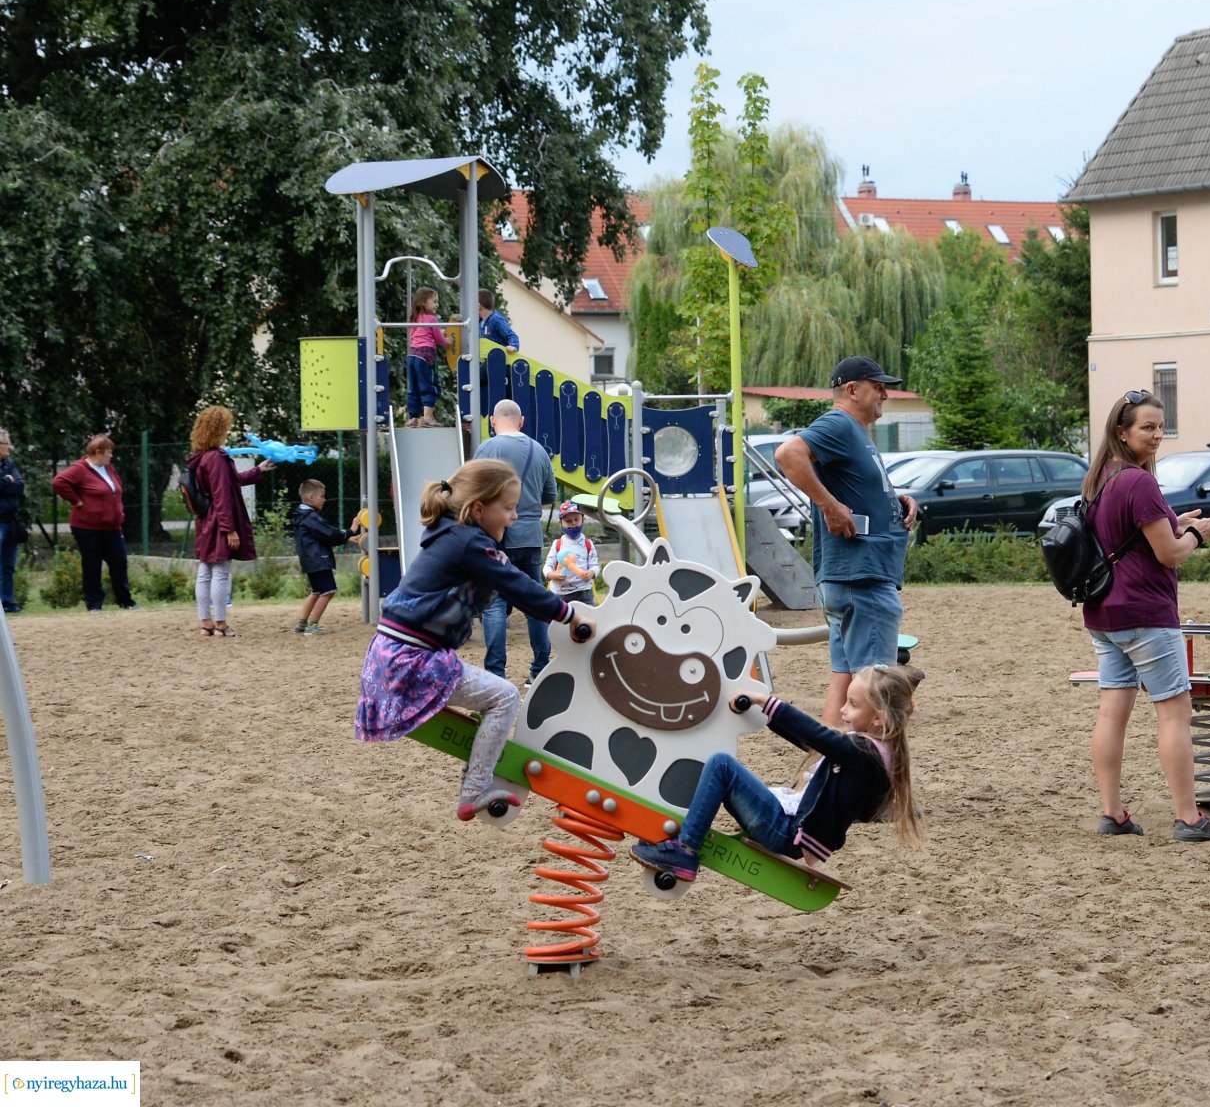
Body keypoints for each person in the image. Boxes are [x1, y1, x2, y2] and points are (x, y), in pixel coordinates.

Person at [355, 459, 590, 820]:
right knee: (504, 696)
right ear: (479, 509)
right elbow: (517, 584)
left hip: (388, 654)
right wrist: (569, 614)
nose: (513, 518)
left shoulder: (450, 535)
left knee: (492, 691)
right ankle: (475, 788)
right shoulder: (469, 543)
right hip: (411, 660)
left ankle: (476, 775)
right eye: (509, 508)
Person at [1081, 389, 1210, 842]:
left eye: (1160, 427)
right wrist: (1197, 534)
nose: (1156, 435)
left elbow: (1135, 534)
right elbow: (1168, 554)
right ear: (1121, 431)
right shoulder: (1139, 481)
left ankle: (1112, 812)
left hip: (1103, 612)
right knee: (1175, 713)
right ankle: (1189, 818)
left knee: (1112, 713)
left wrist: (1175, 522)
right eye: (1147, 427)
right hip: (1145, 612)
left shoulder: (1100, 480)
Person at [628, 663, 921, 883]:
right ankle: (681, 837)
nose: (843, 710)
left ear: (879, 720)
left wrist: (767, 703)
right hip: (791, 829)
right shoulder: (875, 752)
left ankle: (685, 850)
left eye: (853, 705)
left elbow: (818, 736)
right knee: (725, 771)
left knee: (721, 765)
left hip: (785, 830)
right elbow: (813, 743)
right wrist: (765, 715)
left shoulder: (863, 752)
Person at [775, 357, 918, 725]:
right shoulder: (840, 423)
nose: (885, 393)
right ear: (852, 390)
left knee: (843, 682)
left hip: (851, 578)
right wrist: (829, 505)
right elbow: (787, 454)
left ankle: (821, 767)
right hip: (861, 578)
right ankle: (861, 773)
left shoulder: (855, 433)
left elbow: (852, 486)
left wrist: (893, 499)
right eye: (878, 386)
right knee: (873, 688)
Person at [473, 399, 558, 681]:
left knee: (494, 603)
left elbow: (472, 493)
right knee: (534, 601)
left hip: (497, 537)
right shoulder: (539, 450)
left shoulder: (487, 449)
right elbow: (550, 495)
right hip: (530, 537)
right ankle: (540, 668)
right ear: (521, 421)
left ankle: (496, 673)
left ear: (492, 421)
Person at [185, 406, 275, 638]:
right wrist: (229, 529)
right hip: (218, 521)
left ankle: (206, 623)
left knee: (205, 571)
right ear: (219, 429)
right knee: (221, 572)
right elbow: (222, 495)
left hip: (206, 521)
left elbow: (230, 481)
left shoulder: (202, 456)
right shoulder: (216, 457)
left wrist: (258, 470)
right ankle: (221, 624)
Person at [51, 435, 137, 613]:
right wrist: (77, 501)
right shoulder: (80, 469)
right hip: (87, 527)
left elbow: (115, 490)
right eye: (108, 452)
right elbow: (59, 482)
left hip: (112, 526)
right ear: (97, 452)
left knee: (119, 562)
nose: (110, 455)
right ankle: (94, 604)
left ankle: (126, 601)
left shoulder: (108, 468)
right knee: (92, 564)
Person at [293, 479, 363, 634]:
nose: (324, 500)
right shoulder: (311, 517)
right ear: (311, 497)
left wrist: (346, 538)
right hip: (319, 560)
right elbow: (328, 533)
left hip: (310, 560)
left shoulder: (301, 515)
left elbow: (321, 536)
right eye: (322, 496)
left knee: (316, 591)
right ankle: (313, 625)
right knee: (328, 591)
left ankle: (301, 623)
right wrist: (349, 531)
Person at [406, 286, 451, 427]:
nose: (437, 305)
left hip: (412, 355)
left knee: (413, 387)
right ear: (424, 303)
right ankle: (427, 417)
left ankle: (413, 417)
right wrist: (447, 341)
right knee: (429, 385)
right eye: (435, 301)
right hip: (426, 356)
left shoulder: (415, 318)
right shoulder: (432, 318)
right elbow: (438, 339)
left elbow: (418, 334)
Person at [541, 501, 599, 605]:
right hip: (560, 594)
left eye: (576, 520)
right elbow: (548, 566)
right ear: (560, 523)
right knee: (561, 620)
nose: (573, 523)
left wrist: (592, 572)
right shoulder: (558, 544)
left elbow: (595, 565)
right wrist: (551, 574)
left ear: (583, 519)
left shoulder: (587, 544)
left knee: (585, 619)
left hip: (584, 592)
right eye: (568, 521)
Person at [0, 428, 25, 614]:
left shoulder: (9, 464)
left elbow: (19, 486)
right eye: (7, 444)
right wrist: (7, 482)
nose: (9, 447)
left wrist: (6, 481)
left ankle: (8, 602)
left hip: (10, 521)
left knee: (8, 565)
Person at [477, 288, 520, 353]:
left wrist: (513, 346)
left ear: (478, 306)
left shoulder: (495, 319)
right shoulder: (480, 322)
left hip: (498, 358)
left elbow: (511, 335)